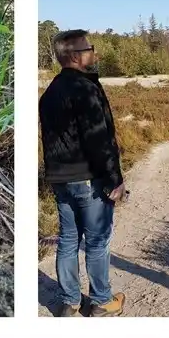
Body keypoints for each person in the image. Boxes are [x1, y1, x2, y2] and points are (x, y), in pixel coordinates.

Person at [39, 30, 126, 317]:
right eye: (90, 48)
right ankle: (101, 300)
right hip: (89, 178)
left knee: (67, 239)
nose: (94, 52)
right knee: (97, 240)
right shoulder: (86, 88)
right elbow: (98, 139)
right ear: (75, 56)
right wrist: (114, 178)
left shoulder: (49, 93)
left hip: (60, 180)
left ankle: (69, 301)